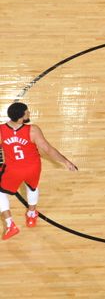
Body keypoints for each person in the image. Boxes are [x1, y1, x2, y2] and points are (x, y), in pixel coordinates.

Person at [1, 102, 78, 240]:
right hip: (33, 167)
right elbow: (48, 150)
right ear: (21, 117)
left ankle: (10, 224)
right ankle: (31, 216)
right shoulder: (33, 130)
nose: (29, 113)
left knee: (0, 194)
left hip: (13, 169)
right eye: (27, 112)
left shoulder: (1, 130)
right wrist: (66, 161)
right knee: (32, 188)